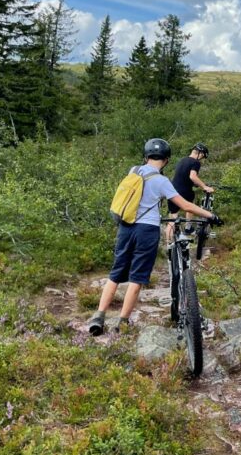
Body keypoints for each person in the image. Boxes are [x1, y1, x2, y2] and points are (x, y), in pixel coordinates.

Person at [88, 138, 221, 336]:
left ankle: (99, 316)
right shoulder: (161, 181)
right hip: (147, 231)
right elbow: (185, 205)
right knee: (137, 277)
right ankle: (122, 322)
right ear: (166, 160)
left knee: (116, 273)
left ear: (146, 156)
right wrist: (211, 215)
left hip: (125, 227)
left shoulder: (134, 171)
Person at [165, 142, 215, 242]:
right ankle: (188, 227)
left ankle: (169, 246)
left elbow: (183, 176)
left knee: (172, 220)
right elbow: (192, 176)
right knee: (190, 205)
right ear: (200, 154)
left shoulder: (182, 160)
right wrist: (205, 187)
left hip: (171, 191)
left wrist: (196, 183)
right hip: (184, 192)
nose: (202, 159)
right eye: (203, 156)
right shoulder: (195, 162)